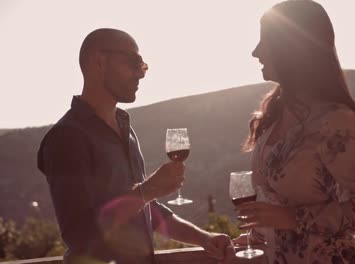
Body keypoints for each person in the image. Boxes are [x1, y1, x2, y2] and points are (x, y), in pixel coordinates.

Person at [37, 28, 234, 264]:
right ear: (99, 62)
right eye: (134, 62)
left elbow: (145, 209)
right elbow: (79, 233)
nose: (140, 74)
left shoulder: (124, 127)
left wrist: (204, 238)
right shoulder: (67, 137)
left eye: (143, 65)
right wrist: (147, 190)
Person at [233, 1, 355, 263]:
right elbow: (277, 202)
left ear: (292, 49)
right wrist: (260, 236)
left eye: (265, 41)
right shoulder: (275, 115)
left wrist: (291, 219)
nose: (255, 52)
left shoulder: (333, 120)